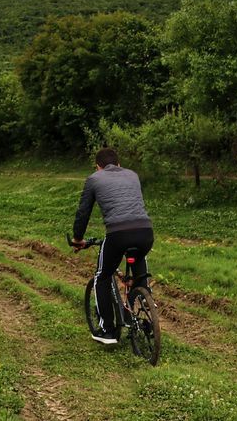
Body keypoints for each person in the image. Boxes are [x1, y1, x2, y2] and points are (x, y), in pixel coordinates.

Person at [70, 147, 154, 344]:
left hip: (118, 234)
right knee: (139, 268)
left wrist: (77, 239)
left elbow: (83, 212)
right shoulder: (132, 175)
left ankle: (107, 330)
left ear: (98, 167)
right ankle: (146, 309)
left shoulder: (94, 179)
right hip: (145, 232)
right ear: (118, 164)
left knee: (102, 276)